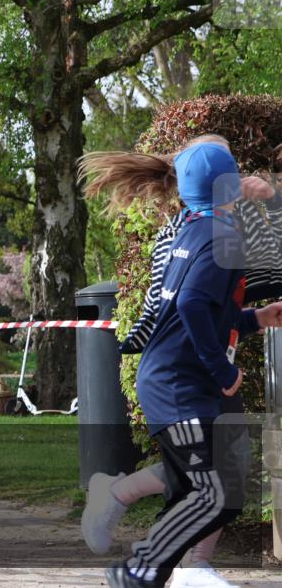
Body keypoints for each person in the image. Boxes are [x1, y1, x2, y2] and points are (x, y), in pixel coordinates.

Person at [80, 136, 282, 588]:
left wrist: (256, 319)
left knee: (203, 487)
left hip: (175, 380)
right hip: (181, 383)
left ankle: (150, 570)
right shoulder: (221, 234)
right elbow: (191, 304)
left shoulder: (194, 225)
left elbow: (211, 308)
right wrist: (223, 370)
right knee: (216, 492)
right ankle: (144, 569)